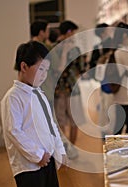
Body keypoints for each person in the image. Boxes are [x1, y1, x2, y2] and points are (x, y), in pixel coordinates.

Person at [0, 41, 67, 187]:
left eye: (47, 70)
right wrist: (37, 155)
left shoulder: (39, 94)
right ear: (24, 67)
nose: (44, 74)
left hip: (48, 160)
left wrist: (60, 149)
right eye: (41, 69)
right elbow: (13, 131)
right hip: (29, 167)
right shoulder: (13, 97)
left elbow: (51, 125)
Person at [54, 20, 85, 158]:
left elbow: (80, 68)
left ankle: (69, 147)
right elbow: (81, 69)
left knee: (70, 120)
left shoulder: (61, 48)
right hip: (64, 89)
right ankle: (66, 147)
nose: (73, 35)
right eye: (72, 32)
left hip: (66, 89)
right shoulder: (60, 48)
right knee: (65, 121)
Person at [111, 22, 128, 135]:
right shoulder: (123, 52)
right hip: (126, 93)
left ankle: (113, 148)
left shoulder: (116, 51)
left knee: (119, 125)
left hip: (119, 93)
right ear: (125, 35)